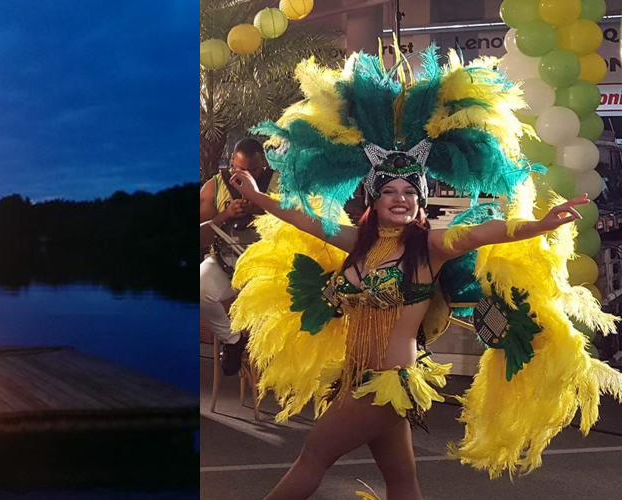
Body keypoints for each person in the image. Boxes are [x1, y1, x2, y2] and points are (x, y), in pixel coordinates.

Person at [228, 47, 620, 498]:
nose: (401, 198)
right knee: (401, 479)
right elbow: (305, 220)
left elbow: (482, 233)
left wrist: (540, 223)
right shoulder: (359, 244)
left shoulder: (429, 246)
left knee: (312, 458)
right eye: (390, 190)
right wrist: (258, 197)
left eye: (410, 191)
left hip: (389, 382)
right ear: (373, 200)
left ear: (420, 200)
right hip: (358, 378)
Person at [199, 138, 279, 375]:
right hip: (225, 263)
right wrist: (225, 214)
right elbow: (201, 236)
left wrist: (263, 207)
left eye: (253, 169)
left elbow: (299, 224)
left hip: (269, 266)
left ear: (263, 162)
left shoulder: (280, 184)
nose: (246, 175)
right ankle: (232, 340)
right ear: (232, 161)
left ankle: (278, 360)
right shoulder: (213, 187)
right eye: (240, 169)